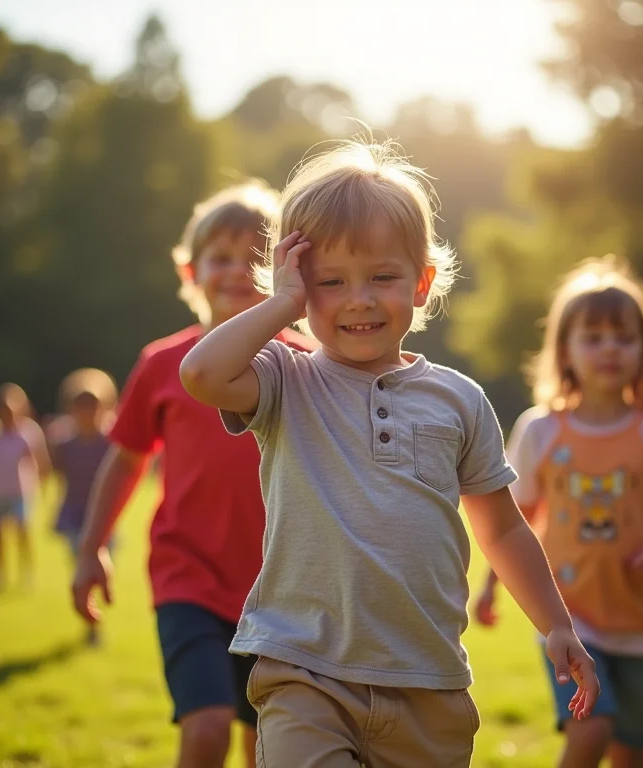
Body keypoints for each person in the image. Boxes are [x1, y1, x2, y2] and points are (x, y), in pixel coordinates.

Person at [180, 138, 599, 768]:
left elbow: (504, 527)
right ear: (297, 282)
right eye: (330, 281)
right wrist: (283, 305)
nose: (359, 299)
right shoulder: (285, 378)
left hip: (428, 682)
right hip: (306, 672)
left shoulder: (458, 400)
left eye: (382, 276)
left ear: (422, 281)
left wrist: (556, 623)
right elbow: (201, 374)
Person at [72, 181, 315, 768]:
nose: (236, 271)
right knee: (205, 729)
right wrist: (90, 549)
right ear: (189, 270)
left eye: (255, 258)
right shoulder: (162, 365)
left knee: (265, 746)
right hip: (188, 579)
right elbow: (125, 460)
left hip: (281, 591)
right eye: (221, 257)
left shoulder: (305, 363)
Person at [474, 257, 643, 768]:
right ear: (564, 350)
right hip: (567, 620)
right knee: (592, 732)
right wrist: (491, 586)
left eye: (624, 337)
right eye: (594, 337)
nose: (610, 347)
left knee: (632, 750)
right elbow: (511, 521)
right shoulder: (540, 431)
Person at [51, 368, 118, 644]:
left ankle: (95, 622)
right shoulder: (65, 444)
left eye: (92, 407)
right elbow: (58, 476)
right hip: (74, 516)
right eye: (81, 407)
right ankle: (89, 621)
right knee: (80, 566)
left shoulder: (109, 444)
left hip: (102, 519)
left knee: (98, 572)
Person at [0, 383, 46, 589]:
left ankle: (26, 572)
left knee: (22, 533)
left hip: (20, 492)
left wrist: (41, 486)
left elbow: (38, 461)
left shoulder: (27, 431)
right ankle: (2, 574)